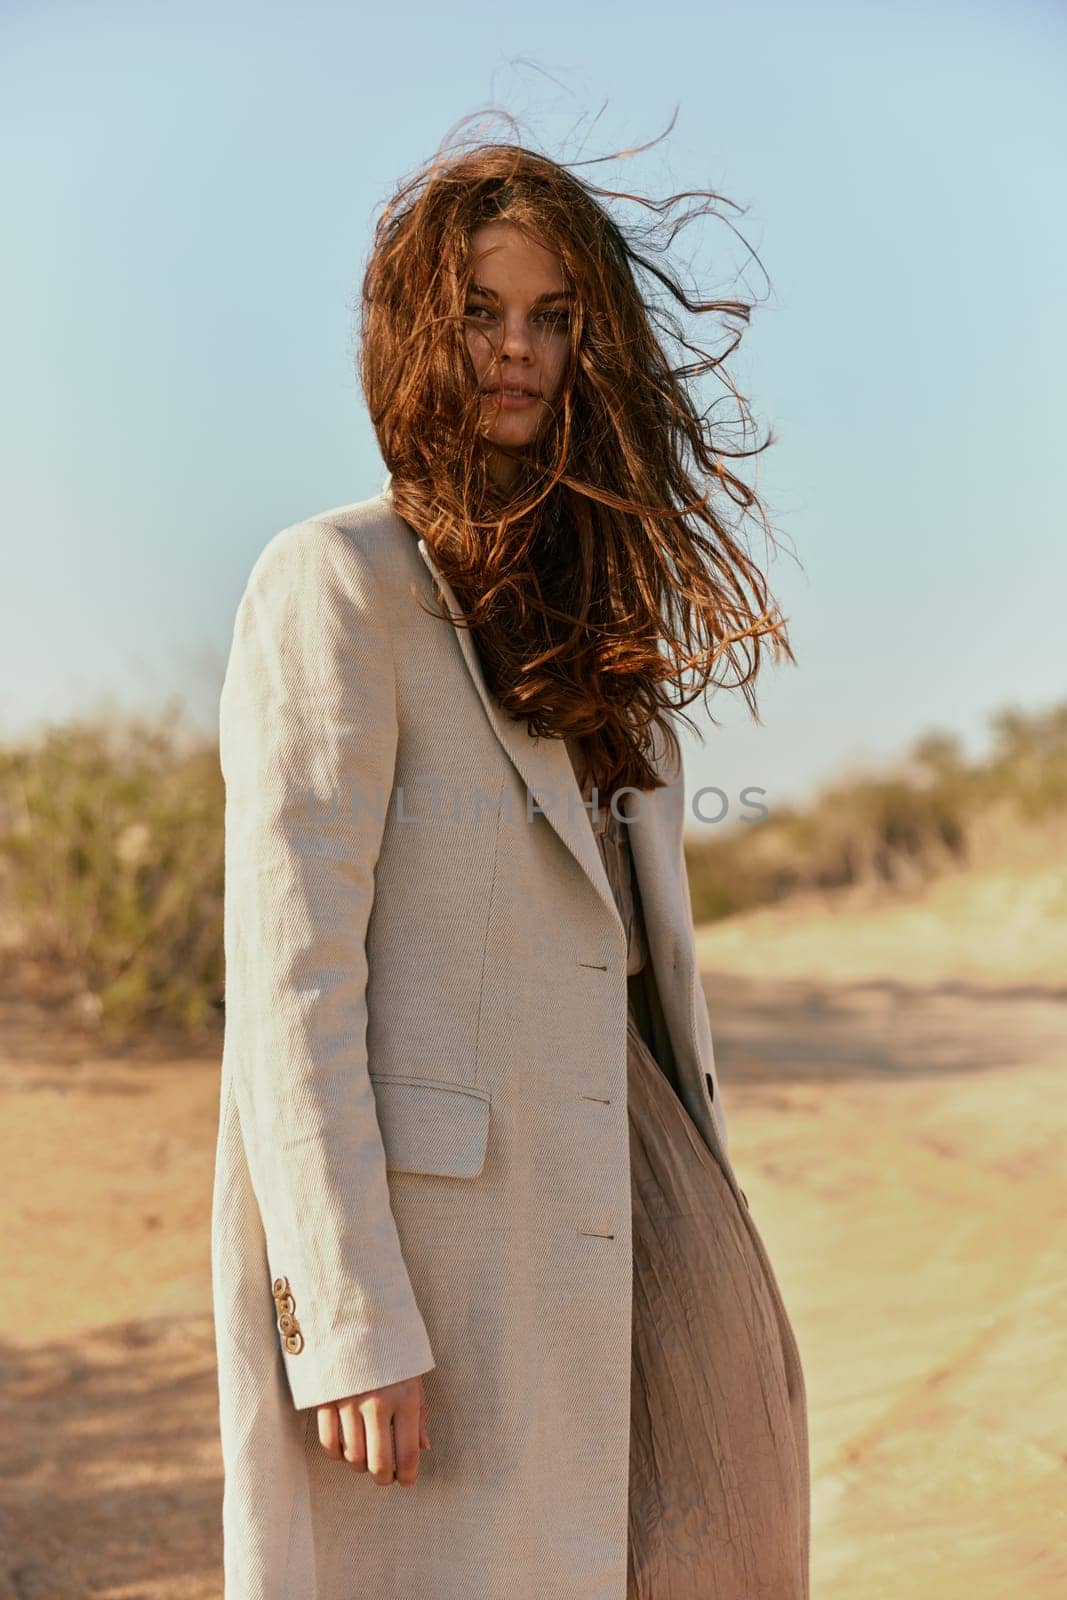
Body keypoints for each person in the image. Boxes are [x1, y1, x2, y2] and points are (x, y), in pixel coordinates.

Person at [212, 130, 809, 1600]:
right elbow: (292, 979)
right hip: (457, 1267)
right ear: (418, 327)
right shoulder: (334, 585)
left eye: (553, 318)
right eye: (483, 311)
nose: (518, 352)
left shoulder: (605, 628)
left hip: (651, 1203)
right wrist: (346, 1317)